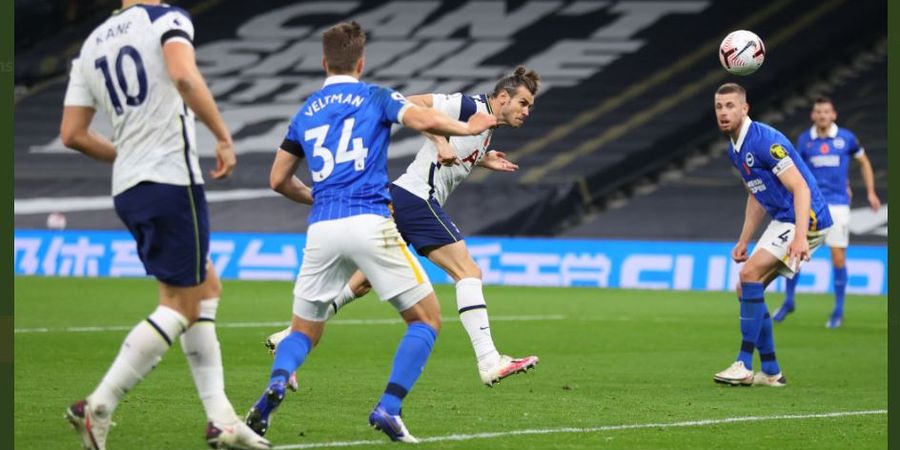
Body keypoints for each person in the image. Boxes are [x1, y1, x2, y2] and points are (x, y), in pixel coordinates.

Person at [244, 21, 496, 443]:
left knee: (304, 329)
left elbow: (278, 180)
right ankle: (389, 408)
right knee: (426, 319)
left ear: (324, 63)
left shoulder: (305, 111)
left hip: (322, 226)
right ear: (360, 62)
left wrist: (319, 197)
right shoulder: (376, 95)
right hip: (372, 220)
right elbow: (420, 117)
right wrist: (469, 130)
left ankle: (278, 380)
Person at [59, 1, 270, 449]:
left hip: (130, 187)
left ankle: (222, 420)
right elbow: (184, 76)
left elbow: (72, 133)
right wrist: (223, 136)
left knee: (205, 287)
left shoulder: (92, 43)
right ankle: (98, 405)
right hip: (171, 180)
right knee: (180, 305)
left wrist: (127, 153)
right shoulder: (166, 19)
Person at [265, 67, 541, 388]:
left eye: (530, 106)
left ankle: (290, 336)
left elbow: (458, 145)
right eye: (523, 103)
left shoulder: (483, 125)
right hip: (416, 199)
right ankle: (489, 359)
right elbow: (412, 105)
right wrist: (440, 142)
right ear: (503, 97)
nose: (526, 111)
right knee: (468, 272)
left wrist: (481, 158)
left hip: (401, 200)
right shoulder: (466, 106)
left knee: (362, 283)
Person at [711, 83, 833, 387]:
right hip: (783, 218)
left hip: (808, 217)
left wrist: (801, 236)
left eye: (730, 105)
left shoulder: (765, 141)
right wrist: (744, 239)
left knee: (750, 274)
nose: (724, 112)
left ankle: (743, 363)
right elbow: (756, 194)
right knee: (745, 287)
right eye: (719, 107)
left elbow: (801, 187)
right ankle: (771, 371)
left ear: (744, 108)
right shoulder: (734, 149)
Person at [773, 97, 881, 328]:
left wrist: (871, 192)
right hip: (810, 204)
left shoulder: (846, 139)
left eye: (826, 111)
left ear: (834, 115)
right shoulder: (805, 140)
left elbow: (864, 162)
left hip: (838, 204)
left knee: (838, 256)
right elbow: (795, 170)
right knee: (796, 252)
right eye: (818, 111)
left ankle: (838, 310)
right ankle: (789, 300)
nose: (822, 115)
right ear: (813, 116)